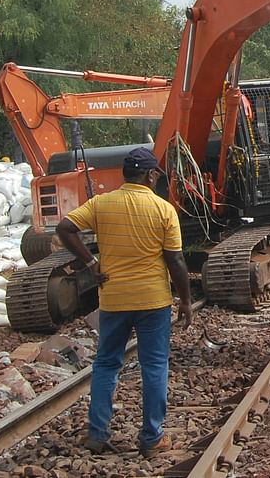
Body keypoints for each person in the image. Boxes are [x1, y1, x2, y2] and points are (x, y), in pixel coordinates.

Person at [56, 147, 193, 458]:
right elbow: (176, 261)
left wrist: (91, 263)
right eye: (156, 173)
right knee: (154, 365)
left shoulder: (102, 204)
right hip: (153, 300)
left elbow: (65, 228)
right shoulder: (163, 209)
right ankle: (151, 437)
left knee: (106, 364)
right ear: (150, 175)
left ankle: (97, 433)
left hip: (114, 299)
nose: (157, 176)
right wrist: (185, 300)